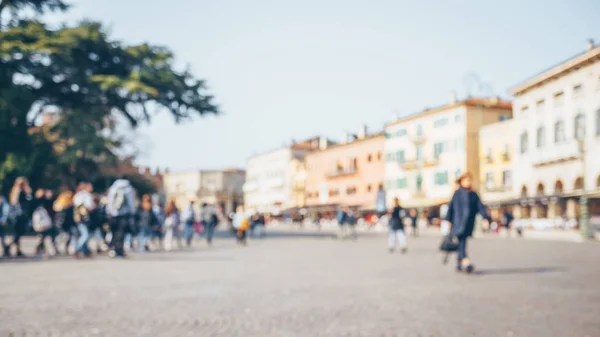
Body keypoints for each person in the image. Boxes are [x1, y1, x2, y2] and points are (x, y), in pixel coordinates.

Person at [445, 172, 491, 273]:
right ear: (461, 182)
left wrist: (485, 218)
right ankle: (465, 261)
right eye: (466, 180)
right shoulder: (457, 194)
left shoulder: (473, 194)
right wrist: (449, 220)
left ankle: (459, 262)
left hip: (468, 223)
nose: (468, 182)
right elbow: (451, 208)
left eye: (469, 180)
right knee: (462, 242)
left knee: (462, 241)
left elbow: (480, 207)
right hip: (458, 222)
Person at [106, 177, 136, 258]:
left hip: (113, 215)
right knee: (121, 233)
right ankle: (119, 250)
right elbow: (131, 203)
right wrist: (132, 213)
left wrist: (109, 212)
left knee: (113, 232)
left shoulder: (113, 188)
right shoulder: (128, 189)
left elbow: (109, 202)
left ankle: (113, 249)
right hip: (123, 215)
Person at [8, 177, 33, 257]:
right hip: (18, 216)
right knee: (18, 234)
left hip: (23, 215)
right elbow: (15, 203)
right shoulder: (17, 192)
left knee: (19, 234)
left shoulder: (24, 192)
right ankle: (8, 246)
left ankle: (16, 249)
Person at [34, 189, 60, 256]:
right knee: (44, 237)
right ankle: (43, 249)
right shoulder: (40, 202)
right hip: (43, 222)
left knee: (48, 237)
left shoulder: (52, 201)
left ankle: (47, 249)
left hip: (49, 221)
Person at [73, 182, 95, 258]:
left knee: (83, 233)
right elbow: (90, 206)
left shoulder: (77, 195)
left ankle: (86, 252)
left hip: (78, 217)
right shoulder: (87, 195)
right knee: (85, 235)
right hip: (85, 217)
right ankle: (77, 249)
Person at [53, 191, 76, 255]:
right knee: (65, 237)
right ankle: (60, 247)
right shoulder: (66, 207)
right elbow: (66, 218)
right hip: (64, 225)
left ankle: (62, 248)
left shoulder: (58, 206)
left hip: (60, 224)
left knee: (66, 237)